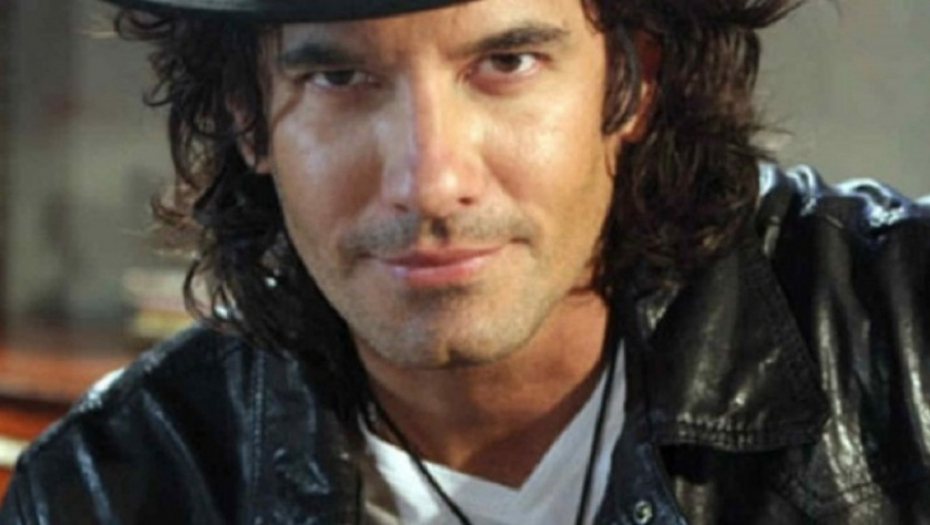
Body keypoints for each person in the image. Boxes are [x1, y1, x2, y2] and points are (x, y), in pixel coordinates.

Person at [2, 0, 929, 523]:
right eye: (338, 77)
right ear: (248, 117)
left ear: (632, 80)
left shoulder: (903, 331)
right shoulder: (112, 489)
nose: (430, 181)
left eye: (508, 62)